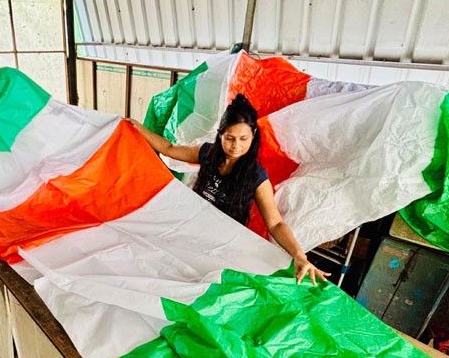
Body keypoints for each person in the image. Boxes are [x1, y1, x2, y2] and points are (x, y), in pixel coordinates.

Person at [126, 94, 327, 285]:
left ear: (253, 135)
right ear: (220, 134)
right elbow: (169, 149)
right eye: (230, 138)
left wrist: (300, 256)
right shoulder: (206, 153)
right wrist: (138, 127)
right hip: (191, 228)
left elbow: (275, 224)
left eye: (243, 139)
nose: (236, 146)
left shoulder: (256, 176)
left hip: (223, 243)